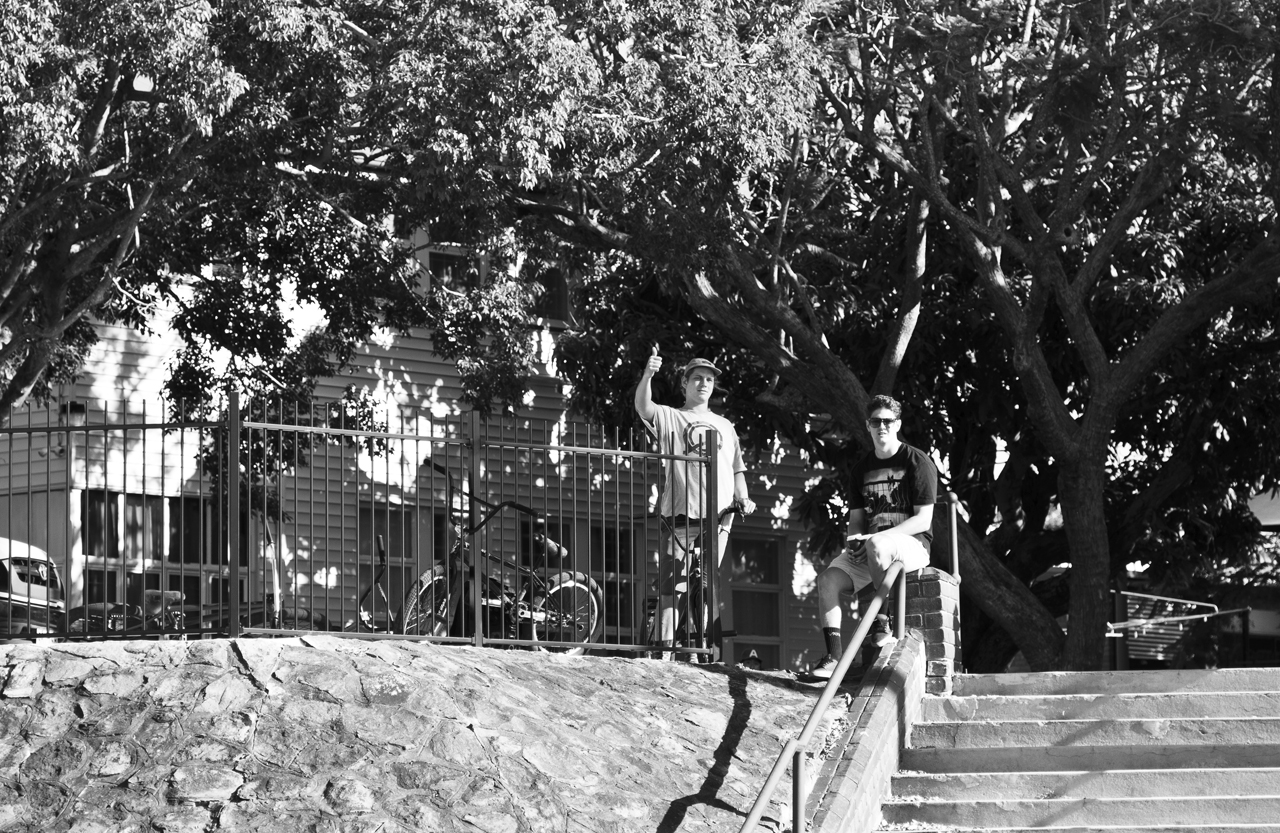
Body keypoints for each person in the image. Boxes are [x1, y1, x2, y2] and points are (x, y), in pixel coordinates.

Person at [635, 350, 755, 657]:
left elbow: (737, 470)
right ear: (685, 384)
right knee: (672, 586)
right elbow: (644, 407)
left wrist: (743, 498)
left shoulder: (725, 425)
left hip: (719, 518)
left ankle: (702, 652)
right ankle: (663, 652)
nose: (704, 384)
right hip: (680, 516)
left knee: (706, 585)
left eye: (709, 380)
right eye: (698, 378)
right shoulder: (672, 417)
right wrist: (648, 375)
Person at [809, 394, 937, 680]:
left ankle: (882, 622)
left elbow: (923, 520)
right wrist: (855, 541)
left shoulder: (917, 461)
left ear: (898, 424)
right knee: (827, 580)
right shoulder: (861, 469)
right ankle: (833, 658)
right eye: (876, 422)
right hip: (873, 547)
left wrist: (872, 540)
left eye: (888, 421)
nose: (882, 427)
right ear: (868, 425)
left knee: (877, 544)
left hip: (913, 546)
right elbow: (856, 520)